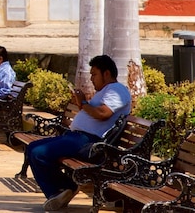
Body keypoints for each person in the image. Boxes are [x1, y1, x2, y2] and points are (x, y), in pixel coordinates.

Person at [28, 55, 132, 211]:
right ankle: (63, 189)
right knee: (32, 147)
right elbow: (96, 112)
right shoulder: (106, 91)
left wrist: (83, 103)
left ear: (107, 74)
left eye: (94, 74)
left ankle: (62, 189)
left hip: (89, 142)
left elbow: (103, 113)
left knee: (38, 152)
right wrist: (81, 102)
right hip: (76, 138)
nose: (91, 78)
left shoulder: (117, 90)